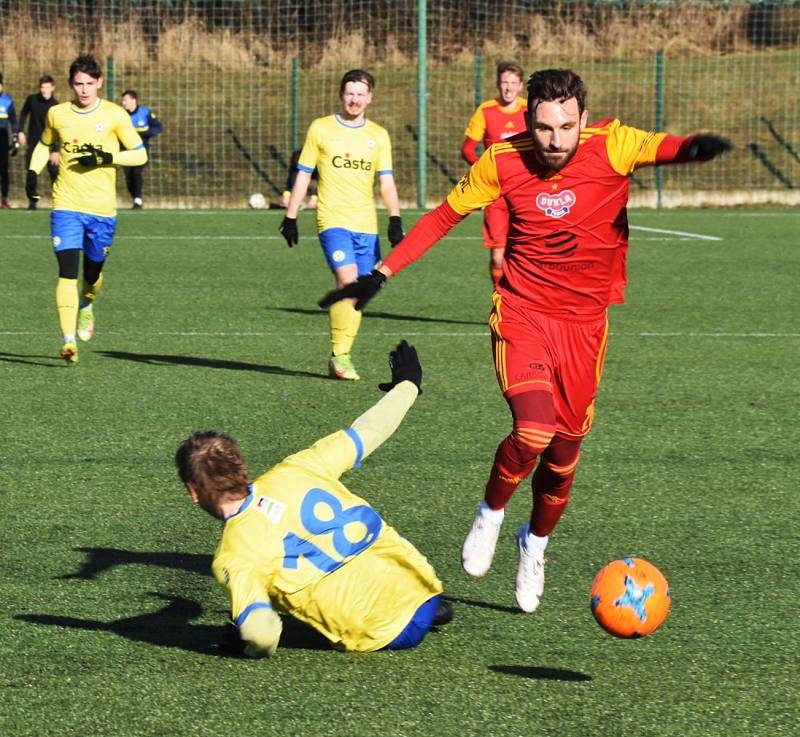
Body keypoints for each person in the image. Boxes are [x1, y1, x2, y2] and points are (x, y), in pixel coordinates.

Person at [319, 68, 731, 614]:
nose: (554, 140)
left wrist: (695, 150)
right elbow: (443, 217)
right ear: (527, 120)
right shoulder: (504, 159)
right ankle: (490, 514)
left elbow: (672, 147)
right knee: (534, 430)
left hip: (585, 326)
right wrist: (383, 272)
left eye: (565, 126)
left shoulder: (614, 143)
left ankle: (533, 544)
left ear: (582, 119)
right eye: (543, 127)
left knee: (564, 453)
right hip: (523, 313)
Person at [175, 340, 452, 656]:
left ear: (193, 492)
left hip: (383, 632)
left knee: (262, 602)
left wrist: (248, 639)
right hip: (424, 587)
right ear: (241, 465)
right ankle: (420, 607)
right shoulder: (298, 467)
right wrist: (407, 384)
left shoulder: (235, 555)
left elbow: (264, 636)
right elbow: (370, 430)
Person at [279, 69, 404, 382]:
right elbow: (304, 173)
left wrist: (395, 217)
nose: (354, 99)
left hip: (366, 224)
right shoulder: (321, 129)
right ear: (341, 94)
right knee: (347, 283)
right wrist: (291, 215)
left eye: (361, 94)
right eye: (350, 93)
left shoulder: (379, 135)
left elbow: (386, 182)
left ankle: (341, 355)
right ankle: (340, 354)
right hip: (332, 220)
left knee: (362, 291)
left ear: (370, 98)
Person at [28, 54, 147, 364]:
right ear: (70, 84)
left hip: (102, 211)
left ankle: (87, 303)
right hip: (65, 205)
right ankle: (68, 341)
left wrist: (106, 158)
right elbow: (44, 144)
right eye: (78, 84)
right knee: (67, 271)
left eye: (89, 84)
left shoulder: (115, 115)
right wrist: (32, 172)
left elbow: (139, 155)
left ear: (99, 83)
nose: (83, 90)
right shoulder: (57, 113)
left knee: (92, 274)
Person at [462, 62, 527, 286]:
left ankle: (528, 304)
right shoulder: (486, 110)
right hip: (497, 194)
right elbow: (468, 149)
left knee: (528, 255)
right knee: (498, 258)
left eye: (512, 83)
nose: (508, 88)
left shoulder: (531, 110)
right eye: (504, 82)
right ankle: (500, 302)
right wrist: (487, 171)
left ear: (520, 86)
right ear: (498, 84)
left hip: (527, 192)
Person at [18, 74, 60, 210]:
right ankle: (32, 201)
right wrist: (20, 131)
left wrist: (56, 150)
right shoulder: (32, 100)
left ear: (52, 88)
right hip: (34, 143)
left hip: (50, 145)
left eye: (47, 87)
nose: (44, 90)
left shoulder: (56, 106)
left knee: (54, 172)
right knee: (31, 172)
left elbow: (59, 129)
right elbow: (23, 114)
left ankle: (57, 202)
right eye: (42, 87)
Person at [120, 90, 162, 209]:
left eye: (125, 100)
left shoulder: (145, 112)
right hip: (125, 150)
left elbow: (158, 127)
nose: (123, 103)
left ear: (134, 100)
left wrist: (145, 134)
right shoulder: (122, 115)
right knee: (128, 176)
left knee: (137, 172)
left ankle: (138, 200)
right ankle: (136, 200)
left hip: (142, 150)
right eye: (123, 100)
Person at [0, 72, 20, 209]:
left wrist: (15, 139)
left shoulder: (7, 101)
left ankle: (4, 199)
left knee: (4, 171)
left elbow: (13, 121)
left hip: (3, 140)